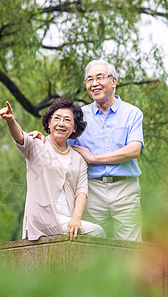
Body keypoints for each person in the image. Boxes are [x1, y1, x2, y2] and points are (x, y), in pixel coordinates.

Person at [30, 60, 144, 241]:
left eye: (100, 77)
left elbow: (134, 150)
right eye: (89, 79)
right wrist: (43, 138)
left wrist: (94, 158)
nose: (94, 83)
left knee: (131, 247)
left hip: (125, 189)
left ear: (113, 81)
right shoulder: (80, 116)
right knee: (90, 245)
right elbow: (61, 139)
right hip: (92, 190)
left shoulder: (132, 113)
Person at [0, 98, 105, 241]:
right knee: (97, 231)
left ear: (74, 127)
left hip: (68, 219)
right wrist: (10, 120)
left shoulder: (78, 158)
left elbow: (81, 190)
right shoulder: (38, 145)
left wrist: (76, 218)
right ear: (49, 123)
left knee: (88, 234)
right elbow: (21, 137)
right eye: (57, 119)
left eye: (67, 120)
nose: (61, 123)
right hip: (42, 219)